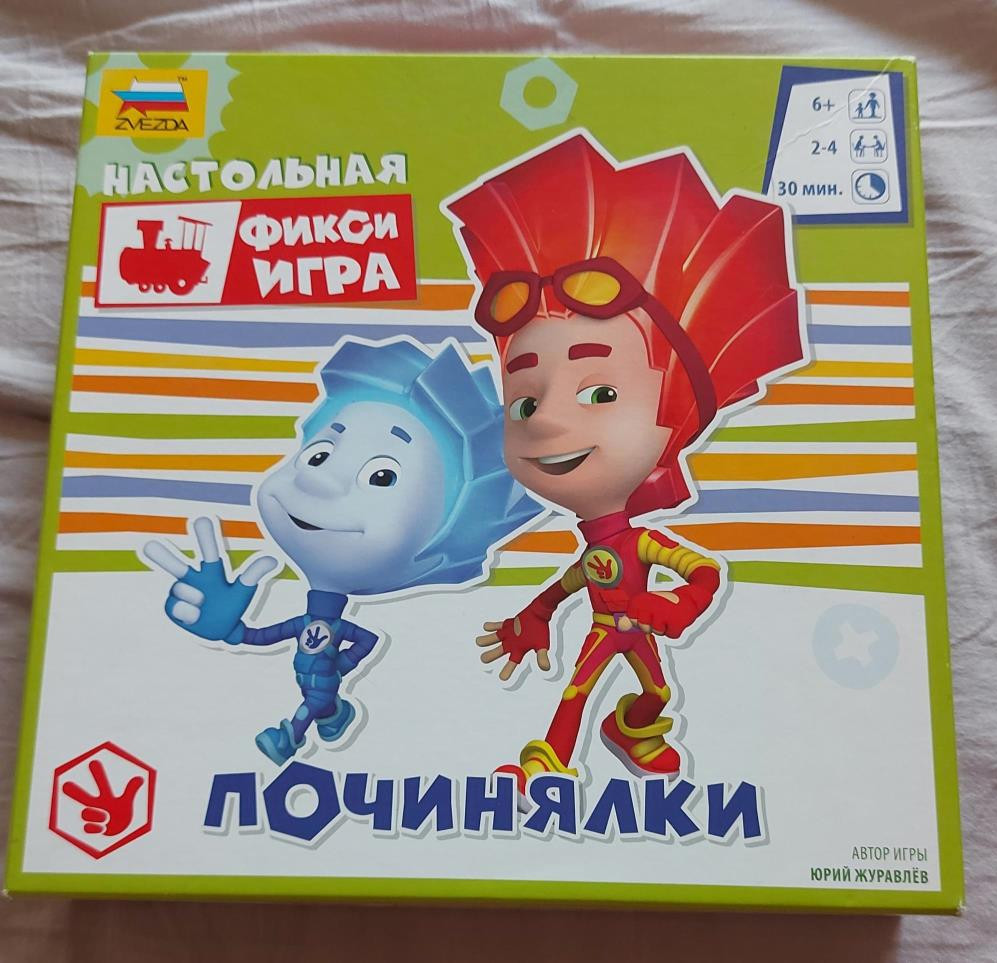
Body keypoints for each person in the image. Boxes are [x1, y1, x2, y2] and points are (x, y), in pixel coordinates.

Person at [444, 132, 805, 798]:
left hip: (637, 625)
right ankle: (545, 764)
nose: (543, 420)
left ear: (674, 416)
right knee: (576, 690)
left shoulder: (640, 543)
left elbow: (703, 571)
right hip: (610, 628)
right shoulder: (608, 548)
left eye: (600, 393)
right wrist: (535, 613)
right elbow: (578, 577)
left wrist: (675, 605)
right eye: (523, 401)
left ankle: (634, 732)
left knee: (655, 693)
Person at [143, 339, 539, 764]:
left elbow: (366, 641)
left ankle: (290, 736)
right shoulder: (312, 620)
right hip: (321, 681)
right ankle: (335, 716)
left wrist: (340, 666)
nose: (318, 480)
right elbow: (267, 636)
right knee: (322, 704)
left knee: (313, 703)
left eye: (382, 476)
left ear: (442, 545)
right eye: (319, 455)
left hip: (343, 692)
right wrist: (230, 631)